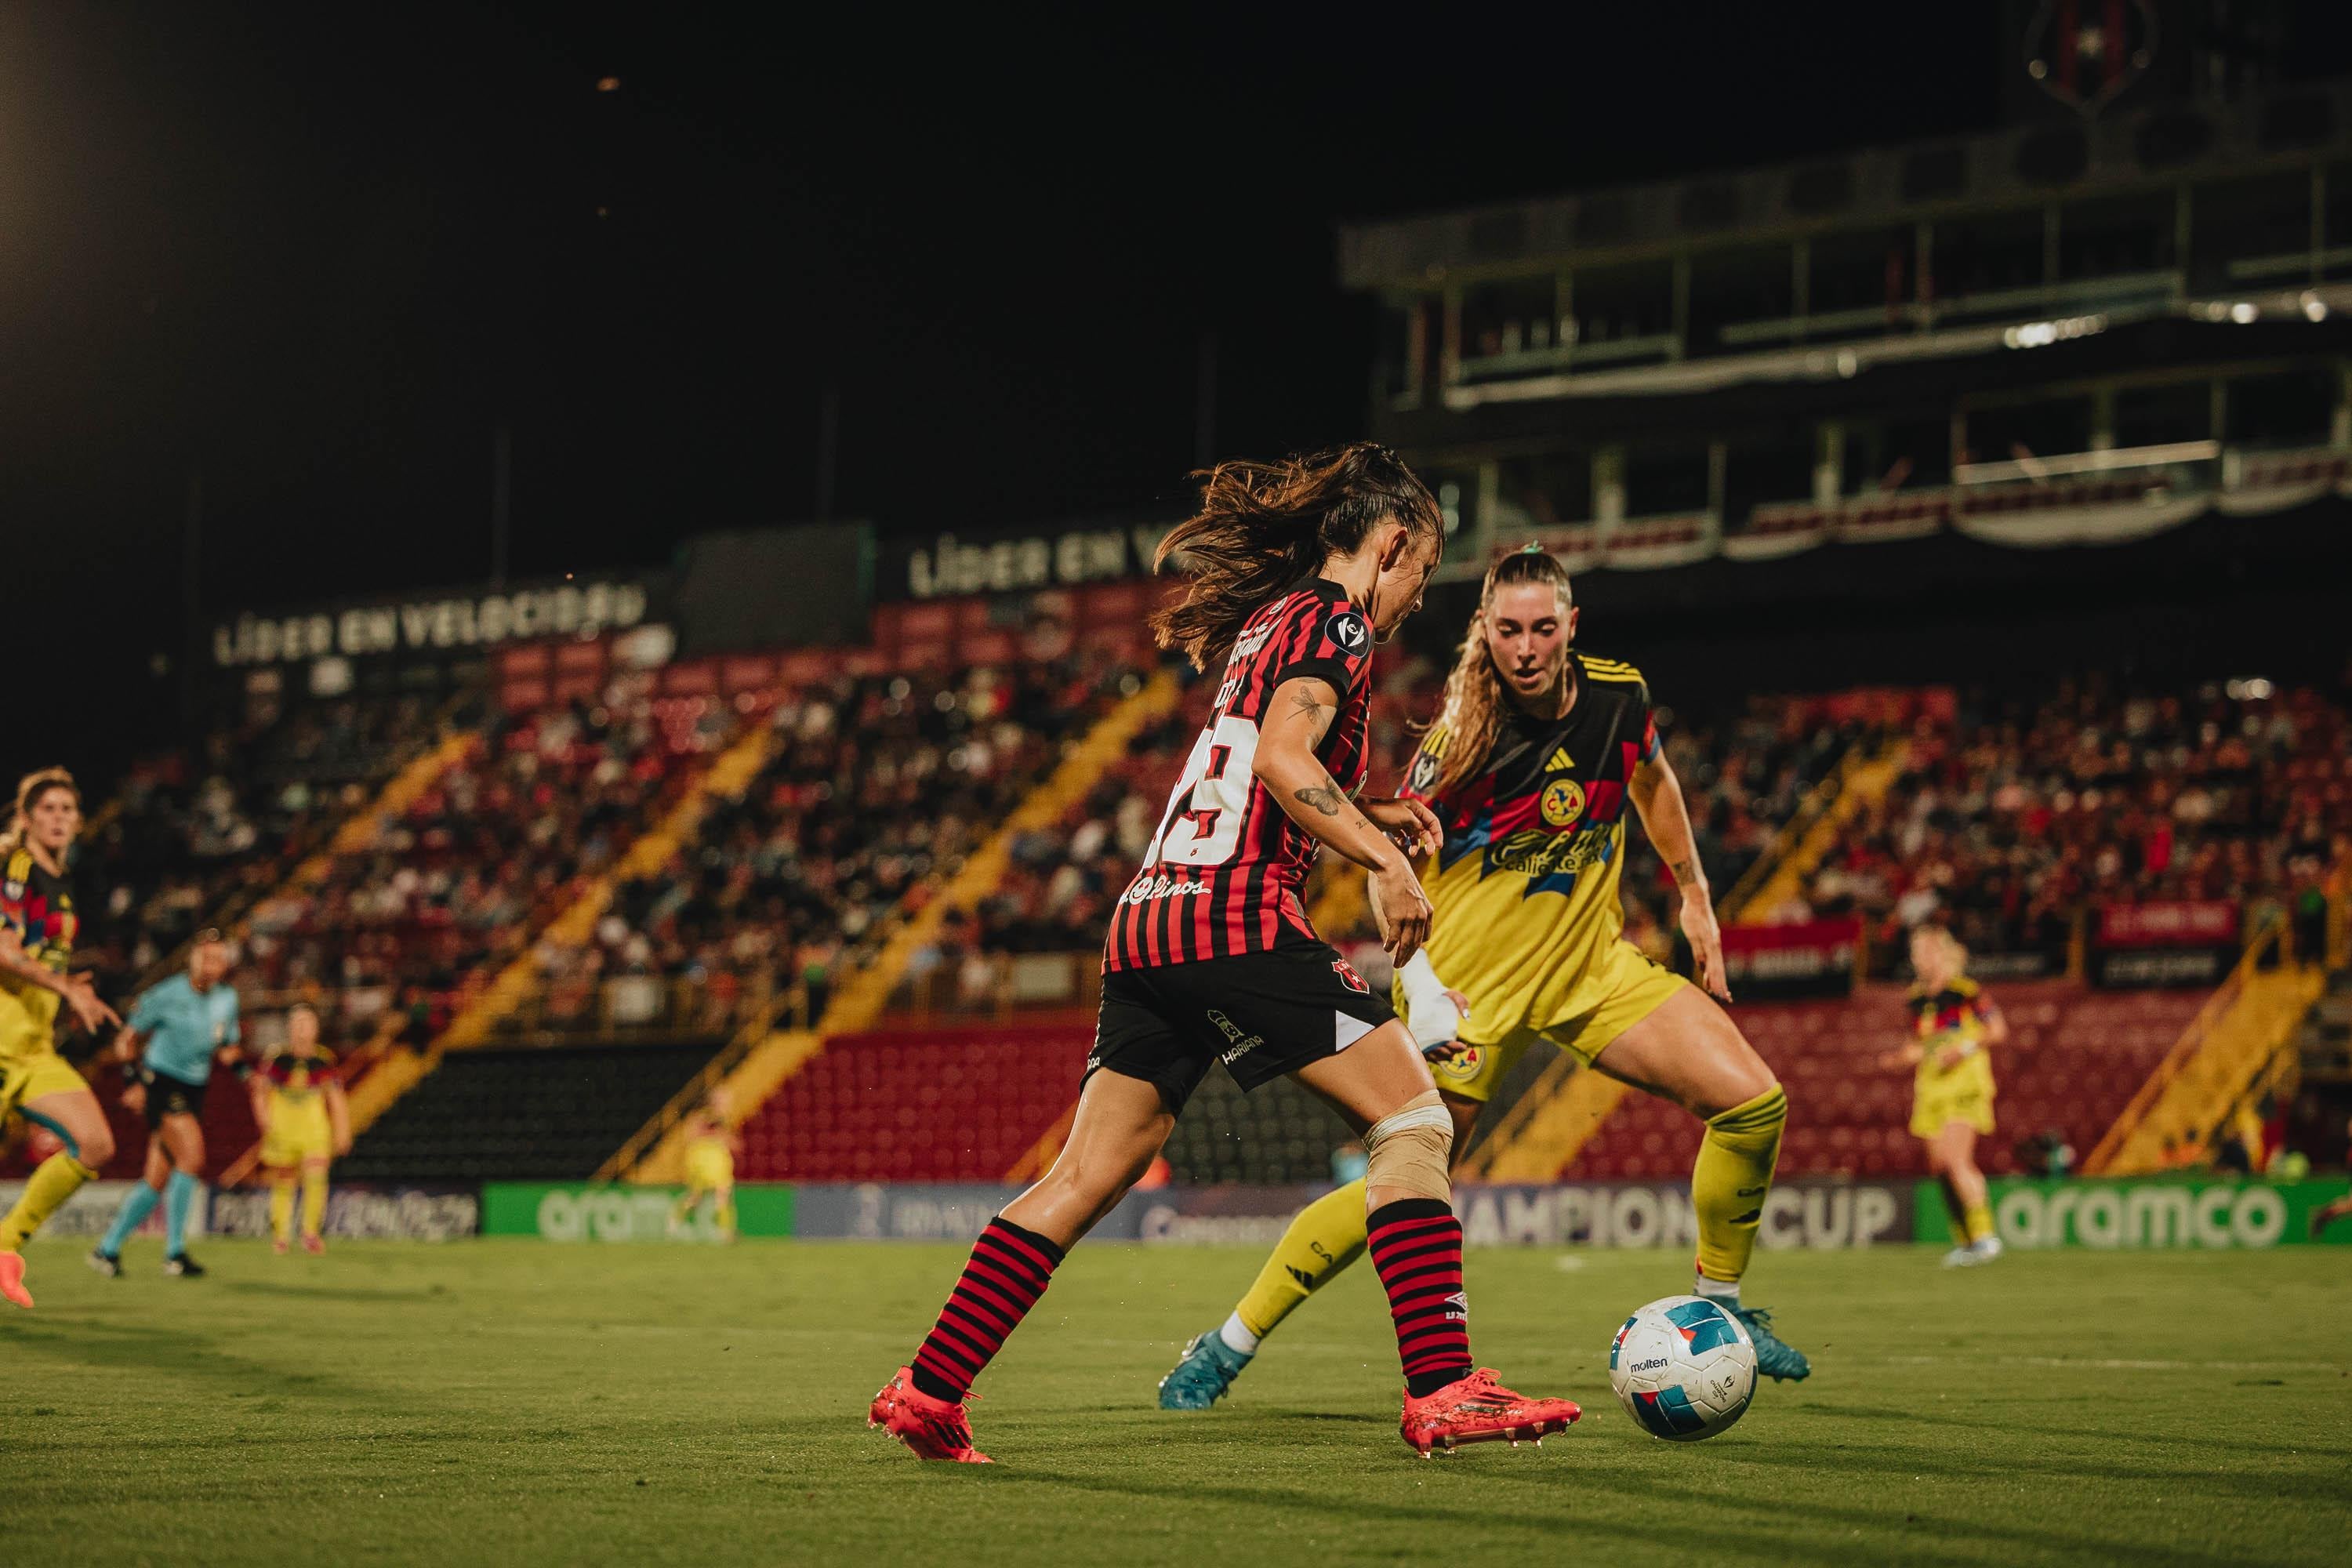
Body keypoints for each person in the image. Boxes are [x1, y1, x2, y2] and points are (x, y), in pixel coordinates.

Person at [869, 443, 1581, 1462]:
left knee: (1090, 1172)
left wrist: (1371, 810)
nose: (1419, 597)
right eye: (1423, 570)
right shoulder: (1335, 620)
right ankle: (1444, 1385)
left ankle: (930, 1387)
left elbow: (1260, 767)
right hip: (1231, 920)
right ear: (1390, 545)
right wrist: (1382, 857)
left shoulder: (1269, 622)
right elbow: (1283, 759)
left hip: (1151, 919)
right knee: (1415, 1115)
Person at [1159, 546, 1809, 1411]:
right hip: (1469, 991)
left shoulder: (1621, 695)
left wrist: (1694, 894)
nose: (1528, 647)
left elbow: (1652, 778)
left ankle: (1725, 1306)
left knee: (1753, 1102)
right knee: (1402, 1175)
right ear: (1487, 634)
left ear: (1572, 627)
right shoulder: (1461, 740)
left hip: (1589, 968)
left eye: (1544, 628)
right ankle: (1226, 1344)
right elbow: (1382, 862)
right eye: (1509, 630)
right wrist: (1419, 980)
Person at [0, 768, 124, 1309]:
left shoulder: (59, 884)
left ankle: (5, 1246)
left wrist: (70, 991)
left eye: (67, 810)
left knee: (96, 1143)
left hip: (33, 1049)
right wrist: (63, 987)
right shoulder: (15, 866)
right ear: (26, 818)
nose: (59, 818)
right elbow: (3, 952)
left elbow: (35, 960)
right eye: (47, 809)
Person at [90, 929, 245, 1277]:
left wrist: (246, 1073)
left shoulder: (227, 999)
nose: (211, 965)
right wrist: (132, 1081)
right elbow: (126, 1039)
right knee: (192, 1156)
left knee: (156, 1178)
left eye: (218, 959)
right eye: (206, 957)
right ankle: (174, 1253)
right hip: (161, 1083)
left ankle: (107, 1249)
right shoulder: (167, 994)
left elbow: (228, 1045)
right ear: (192, 959)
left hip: (195, 1088)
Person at [1886, 926, 2006, 1267]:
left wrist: (1963, 1049)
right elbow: (1921, 1046)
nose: (1921, 959)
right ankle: (1966, 1241)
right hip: (1931, 1090)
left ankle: (1986, 1237)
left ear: (1944, 954)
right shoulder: (1916, 999)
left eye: (1927, 951)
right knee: (1939, 1167)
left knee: (1956, 1160)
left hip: (1965, 1086)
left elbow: (1997, 1030)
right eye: (1916, 952)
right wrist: (1900, 1058)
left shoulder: (1965, 992)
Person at [250, 1003, 350, 1254]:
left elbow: (336, 1098)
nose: (302, 1028)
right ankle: (281, 1236)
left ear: (316, 1029)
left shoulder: (324, 1060)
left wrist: (342, 1129)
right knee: (284, 1183)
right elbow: (259, 1091)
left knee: (316, 1178)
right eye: (297, 1023)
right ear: (289, 1028)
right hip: (282, 1130)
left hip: (314, 1130)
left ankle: (310, 1234)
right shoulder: (277, 1058)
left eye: (307, 1023)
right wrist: (264, 1119)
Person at [668, 1092, 738, 1242]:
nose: (727, 1104)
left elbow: (724, 1138)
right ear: (714, 1102)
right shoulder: (703, 1116)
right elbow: (692, 1135)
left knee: (723, 1194)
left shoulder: (723, 1120)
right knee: (697, 1198)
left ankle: (726, 1233)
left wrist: (729, 1141)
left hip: (717, 1160)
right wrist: (714, 1135)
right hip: (703, 1160)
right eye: (724, 1100)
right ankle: (676, 1218)